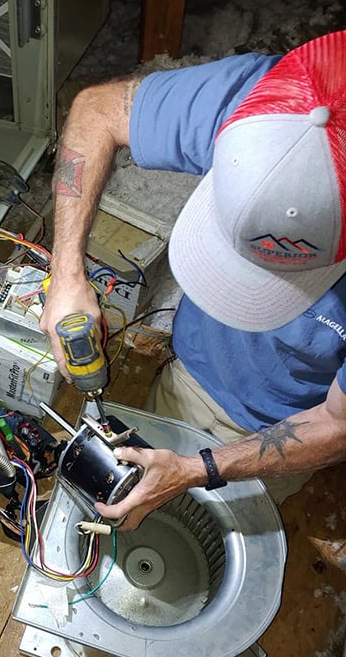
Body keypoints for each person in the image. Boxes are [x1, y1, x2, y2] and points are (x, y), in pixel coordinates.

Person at [39, 30, 346, 531]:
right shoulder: (269, 100)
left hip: (285, 425)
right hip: (188, 370)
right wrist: (66, 271)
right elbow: (95, 111)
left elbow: (338, 424)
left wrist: (196, 470)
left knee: (230, 529)